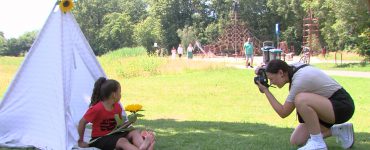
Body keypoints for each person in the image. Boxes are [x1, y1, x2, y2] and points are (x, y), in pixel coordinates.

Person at [255, 60, 355, 150]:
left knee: (300, 99)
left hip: (342, 106)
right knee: (297, 140)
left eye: (271, 79)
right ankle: (340, 130)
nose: (271, 83)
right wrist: (262, 69)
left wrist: (266, 91)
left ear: (281, 73)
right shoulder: (290, 68)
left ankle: (318, 144)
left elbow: (283, 112)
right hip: (326, 105)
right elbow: (277, 64)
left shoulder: (299, 81)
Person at [77, 77, 155, 150]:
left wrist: (129, 122)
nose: (121, 95)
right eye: (119, 92)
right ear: (114, 95)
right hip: (100, 139)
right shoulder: (97, 108)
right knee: (122, 141)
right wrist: (80, 141)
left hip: (114, 135)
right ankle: (144, 147)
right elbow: (82, 122)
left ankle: (143, 146)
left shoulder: (117, 107)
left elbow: (119, 126)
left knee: (134, 132)